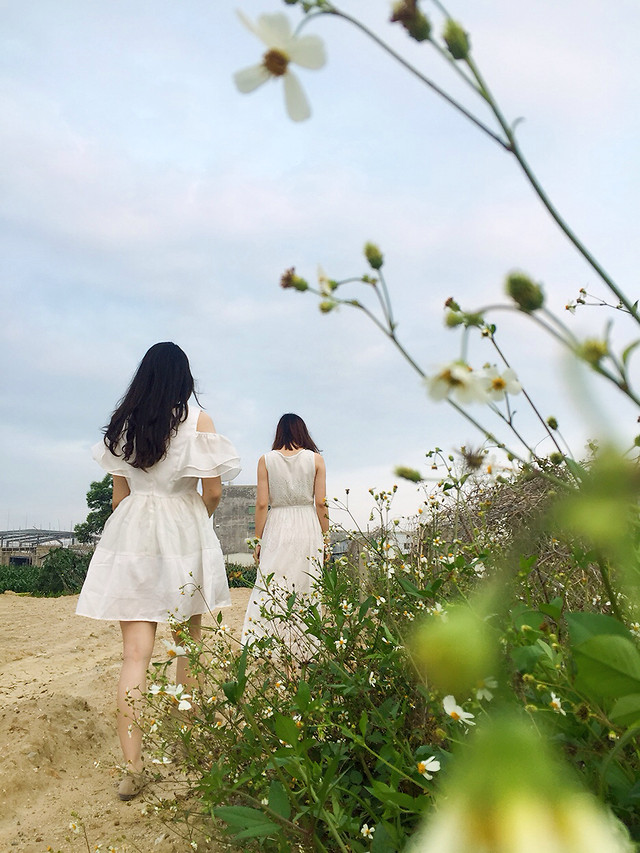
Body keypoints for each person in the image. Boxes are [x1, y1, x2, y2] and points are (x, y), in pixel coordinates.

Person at [76, 342, 240, 801]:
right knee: (187, 644)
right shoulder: (196, 419)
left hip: (132, 533)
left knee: (135, 655)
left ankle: (133, 767)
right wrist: (195, 518)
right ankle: (187, 744)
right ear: (183, 378)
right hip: (183, 530)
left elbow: (118, 499)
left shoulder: (124, 425)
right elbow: (212, 492)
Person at [242, 413, 328, 653]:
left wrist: (258, 541)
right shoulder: (316, 460)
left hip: (277, 523)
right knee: (306, 583)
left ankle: (272, 644)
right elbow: (321, 503)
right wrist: (326, 538)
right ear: (303, 431)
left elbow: (261, 504)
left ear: (279, 432)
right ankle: (305, 647)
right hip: (307, 524)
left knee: (275, 583)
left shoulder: (266, 460)